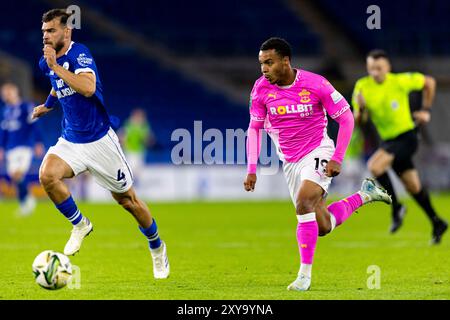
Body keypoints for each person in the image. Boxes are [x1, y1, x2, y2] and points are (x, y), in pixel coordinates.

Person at [244, 38, 392, 291]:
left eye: (269, 63)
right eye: (261, 64)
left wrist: (337, 157)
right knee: (322, 225)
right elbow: (254, 130)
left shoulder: (316, 84)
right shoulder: (260, 90)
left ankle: (304, 276)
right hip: (290, 162)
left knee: (303, 202)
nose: (264, 69)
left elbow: (346, 119)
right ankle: (364, 196)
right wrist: (251, 169)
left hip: (318, 150)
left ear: (285, 61)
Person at [32, 9, 169, 279]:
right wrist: (48, 106)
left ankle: (156, 246)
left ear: (67, 31)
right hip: (71, 140)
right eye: (44, 31)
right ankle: (80, 224)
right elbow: (55, 83)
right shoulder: (46, 61)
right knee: (47, 175)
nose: (46, 36)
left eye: (51, 31)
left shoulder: (79, 53)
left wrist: (55, 67)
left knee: (128, 201)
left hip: (100, 143)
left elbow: (88, 88)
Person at [352, 49, 448, 244]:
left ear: (387, 67)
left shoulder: (399, 81)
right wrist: (361, 108)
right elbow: (359, 120)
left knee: (374, 166)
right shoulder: (362, 86)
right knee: (413, 186)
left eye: (378, 68)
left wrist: (425, 110)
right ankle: (437, 222)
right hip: (388, 141)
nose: (375, 72)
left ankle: (396, 208)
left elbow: (429, 82)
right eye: (371, 68)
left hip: (407, 137)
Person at [0, 82, 44, 215]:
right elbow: (4, 131)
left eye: (8, 92)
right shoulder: (5, 110)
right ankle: (26, 201)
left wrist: (38, 142)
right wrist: (1, 148)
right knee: (15, 176)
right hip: (10, 148)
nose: (6, 95)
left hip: (24, 147)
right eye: (4, 93)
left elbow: (34, 124)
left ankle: (27, 202)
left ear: (15, 92)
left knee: (18, 173)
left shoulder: (26, 106)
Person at [120, 108, 155, 177]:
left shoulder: (144, 126)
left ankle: (134, 185)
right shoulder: (129, 125)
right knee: (131, 170)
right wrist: (124, 144)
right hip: (130, 151)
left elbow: (149, 138)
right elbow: (122, 135)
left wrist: (149, 140)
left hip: (140, 151)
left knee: (138, 171)